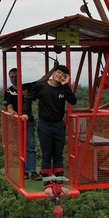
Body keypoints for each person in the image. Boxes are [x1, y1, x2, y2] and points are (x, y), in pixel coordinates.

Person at [27, 64, 77, 196]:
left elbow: (73, 101)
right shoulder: (42, 86)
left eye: (63, 75)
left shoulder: (63, 89)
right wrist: (26, 113)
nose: (59, 76)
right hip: (45, 125)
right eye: (58, 73)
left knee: (58, 154)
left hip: (59, 124)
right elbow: (28, 98)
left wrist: (66, 85)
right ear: (54, 72)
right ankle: (48, 184)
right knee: (47, 154)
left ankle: (59, 184)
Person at [3, 67, 53, 180]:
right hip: (16, 122)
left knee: (30, 147)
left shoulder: (27, 87)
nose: (14, 79)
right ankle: (24, 170)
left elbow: (42, 80)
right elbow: (9, 106)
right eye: (11, 77)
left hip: (28, 121)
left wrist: (53, 69)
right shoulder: (8, 91)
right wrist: (12, 112)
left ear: (19, 77)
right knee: (20, 147)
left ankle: (32, 171)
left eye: (15, 76)